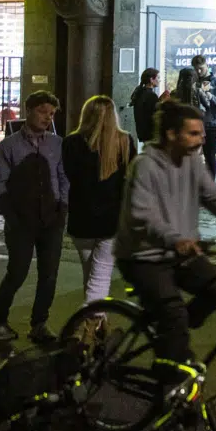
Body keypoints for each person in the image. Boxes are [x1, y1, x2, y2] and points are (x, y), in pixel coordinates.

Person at [116, 101, 216, 363]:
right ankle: (171, 378)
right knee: (174, 315)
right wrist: (176, 239)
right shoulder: (145, 165)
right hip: (144, 256)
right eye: (193, 133)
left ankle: (169, 334)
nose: (201, 139)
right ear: (172, 134)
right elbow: (142, 214)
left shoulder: (192, 162)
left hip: (179, 252)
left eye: (201, 133)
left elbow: (213, 196)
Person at [0, 91, 73, 344]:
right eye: (43, 111)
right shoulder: (9, 147)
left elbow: (64, 177)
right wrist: (10, 214)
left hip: (51, 219)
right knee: (17, 271)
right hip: (21, 222)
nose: (48, 117)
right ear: (29, 111)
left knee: (49, 274)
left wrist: (62, 208)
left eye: (52, 113)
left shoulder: (57, 144)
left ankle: (39, 323)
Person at [64, 95, 136, 309]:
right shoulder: (124, 141)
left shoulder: (70, 143)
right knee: (99, 278)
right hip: (111, 222)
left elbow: (67, 178)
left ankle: (97, 329)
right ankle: (87, 326)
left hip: (80, 219)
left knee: (92, 277)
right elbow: (130, 182)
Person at [191, 55, 216, 176]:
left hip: (211, 124)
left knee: (209, 155)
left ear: (207, 66)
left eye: (201, 68)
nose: (198, 71)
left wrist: (211, 97)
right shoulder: (194, 82)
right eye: (196, 69)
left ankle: (210, 183)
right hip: (195, 123)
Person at [129, 69, 162, 144]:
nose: (160, 80)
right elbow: (154, 114)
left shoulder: (140, 93)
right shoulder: (151, 96)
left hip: (143, 133)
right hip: (151, 133)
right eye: (158, 78)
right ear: (151, 79)